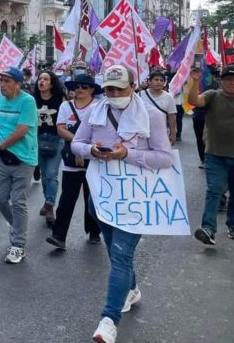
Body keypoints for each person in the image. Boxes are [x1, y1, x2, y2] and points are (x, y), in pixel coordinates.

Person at [71, 65, 173, 343]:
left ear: (133, 86)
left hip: (135, 199)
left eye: (119, 88)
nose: (113, 94)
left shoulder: (151, 115)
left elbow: (164, 158)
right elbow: (76, 144)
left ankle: (108, 320)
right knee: (118, 255)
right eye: (108, 89)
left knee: (120, 256)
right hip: (101, 199)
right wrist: (90, 150)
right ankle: (132, 289)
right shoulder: (95, 112)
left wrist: (127, 154)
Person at [189, 65, 234, 245]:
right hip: (215, 155)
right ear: (220, 81)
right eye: (228, 79)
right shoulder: (213, 95)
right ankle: (208, 228)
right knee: (213, 191)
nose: (232, 83)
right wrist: (194, 81)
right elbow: (194, 100)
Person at [0, 67, 38, 264]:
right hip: (1, 158)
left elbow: (22, 130)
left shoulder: (28, 101)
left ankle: (18, 245)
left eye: (7, 82)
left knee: (18, 201)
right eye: (1, 81)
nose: (3, 85)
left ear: (17, 84)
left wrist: (0, 145)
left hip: (23, 158)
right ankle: (15, 224)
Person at [46, 74, 102, 249]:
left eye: (84, 86)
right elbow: (61, 129)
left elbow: (100, 132)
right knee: (67, 199)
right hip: (71, 159)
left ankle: (94, 231)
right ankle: (58, 235)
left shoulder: (99, 107)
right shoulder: (65, 106)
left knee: (91, 197)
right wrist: (78, 146)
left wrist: (84, 149)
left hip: (94, 158)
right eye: (77, 86)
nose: (79, 89)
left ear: (92, 89)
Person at [34, 69, 66, 227]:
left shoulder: (61, 100)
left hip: (56, 139)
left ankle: (50, 206)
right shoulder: (32, 100)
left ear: (52, 83)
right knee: (44, 175)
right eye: (40, 79)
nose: (42, 82)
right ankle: (47, 202)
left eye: (46, 79)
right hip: (37, 140)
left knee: (52, 174)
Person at [192, 66, 219, 168]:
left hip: (213, 116)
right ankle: (204, 160)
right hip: (199, 116)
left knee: (211, 139)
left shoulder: (218, 85)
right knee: (200, 139)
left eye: (211, 74)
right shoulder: (194, 83)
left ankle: (212, 160)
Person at [139, 71, 177, 144]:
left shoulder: (169, 97)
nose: (159, 82)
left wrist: (173, 133)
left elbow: (172, 117)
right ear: (149, 82)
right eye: (156, 80)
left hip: (161, 133)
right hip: (142, 132)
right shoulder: (140, 95)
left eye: (161, 80)